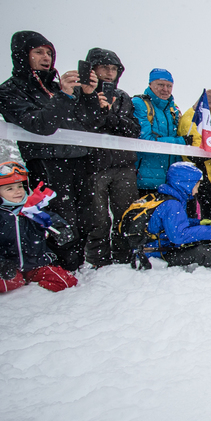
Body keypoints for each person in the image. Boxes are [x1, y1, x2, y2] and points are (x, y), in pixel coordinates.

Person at [0, 31, 101, 271]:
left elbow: (90, 123)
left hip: (79, 159)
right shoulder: (9, 91)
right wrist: (63, 95)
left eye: (49, 53)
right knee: (61, 218)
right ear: (23, 56)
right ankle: (60, 265)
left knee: (87, 217)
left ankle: (77, 265)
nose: (46, 57)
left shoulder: (57, 87)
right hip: (47, 162)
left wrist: (90, 96)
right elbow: (40, 125)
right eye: (39, 52)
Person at [0, 162, 78, 292]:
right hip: (7, 266)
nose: (18, 191)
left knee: (66, 281)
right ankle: (19, 287)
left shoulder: (31, 208)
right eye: (10, 188)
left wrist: (61, 229)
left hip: (36, 263)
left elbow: (50, 218)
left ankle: (35, 291)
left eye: (20, 186)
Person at [82, 47, 141, 268]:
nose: (109, 72)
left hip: (123, 163)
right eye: (104, 67)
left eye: (114, 68)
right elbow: (86, 125)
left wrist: (111, 115)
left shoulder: (123, 97)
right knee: (97, 217)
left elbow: (134, 129)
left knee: (126, 213)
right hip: (93, 164)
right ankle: (98, 259)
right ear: (92, 69)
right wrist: (97, 109)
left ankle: (124, 255)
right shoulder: (82, 93)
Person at [145, 162, 211, 269]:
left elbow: (171, 224)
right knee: (199, 253)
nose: (196, 191)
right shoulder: (172, 204)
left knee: (197, 246)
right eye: (196, 186)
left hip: (155, 247)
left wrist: (198, 223)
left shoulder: (168, 198)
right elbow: (178, 236)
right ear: (186, 184)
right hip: (156, 252)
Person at [177, 89, 211, 221]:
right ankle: (210, 238)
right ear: (210, 108)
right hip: (204, 177)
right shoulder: (192, 120)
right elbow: (201, 147)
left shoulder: (206, 121)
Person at [133, 68, 188, 192]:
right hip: (146, 181)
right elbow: (146, 140)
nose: (165, 89)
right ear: (150, 85)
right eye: (160, 85)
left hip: (170, 182)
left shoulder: (173, 109)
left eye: (169, 86)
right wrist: (182, 142)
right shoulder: (140, 104)